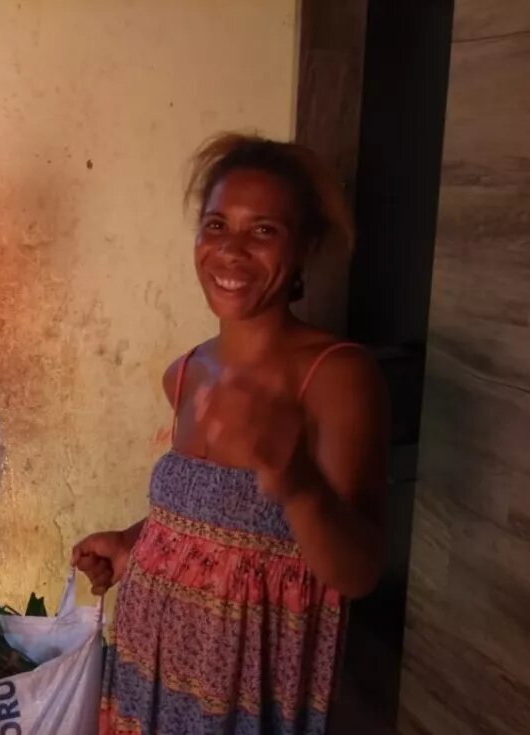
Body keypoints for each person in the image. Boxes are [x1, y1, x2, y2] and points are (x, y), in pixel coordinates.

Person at [73, 134, 389, 734]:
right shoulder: (185, 373)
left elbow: (359, 571)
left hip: (248, 686)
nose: (232, 251)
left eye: (263, 231)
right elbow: (214, 517)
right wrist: (133, 539)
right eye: (216, 226)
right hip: (153, 665)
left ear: (306, 248)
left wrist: (298, 485)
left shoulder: (338, 376)